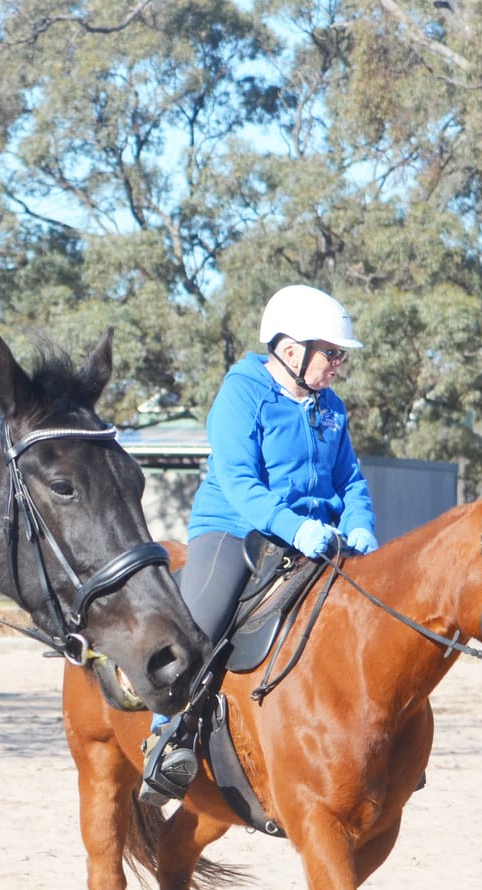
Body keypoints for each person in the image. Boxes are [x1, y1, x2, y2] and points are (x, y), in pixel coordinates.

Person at [142, 284, 379, 802]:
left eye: (340, 355)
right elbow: (237, 479)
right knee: (198, 627)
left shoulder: (331, 406)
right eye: (332, 353)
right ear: (292, 350)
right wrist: (294, 527)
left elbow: (352, 482)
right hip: (234, 528)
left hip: (318, 539)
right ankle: (166, 736)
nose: (339, 363)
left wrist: (360, 525)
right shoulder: (243, 392)